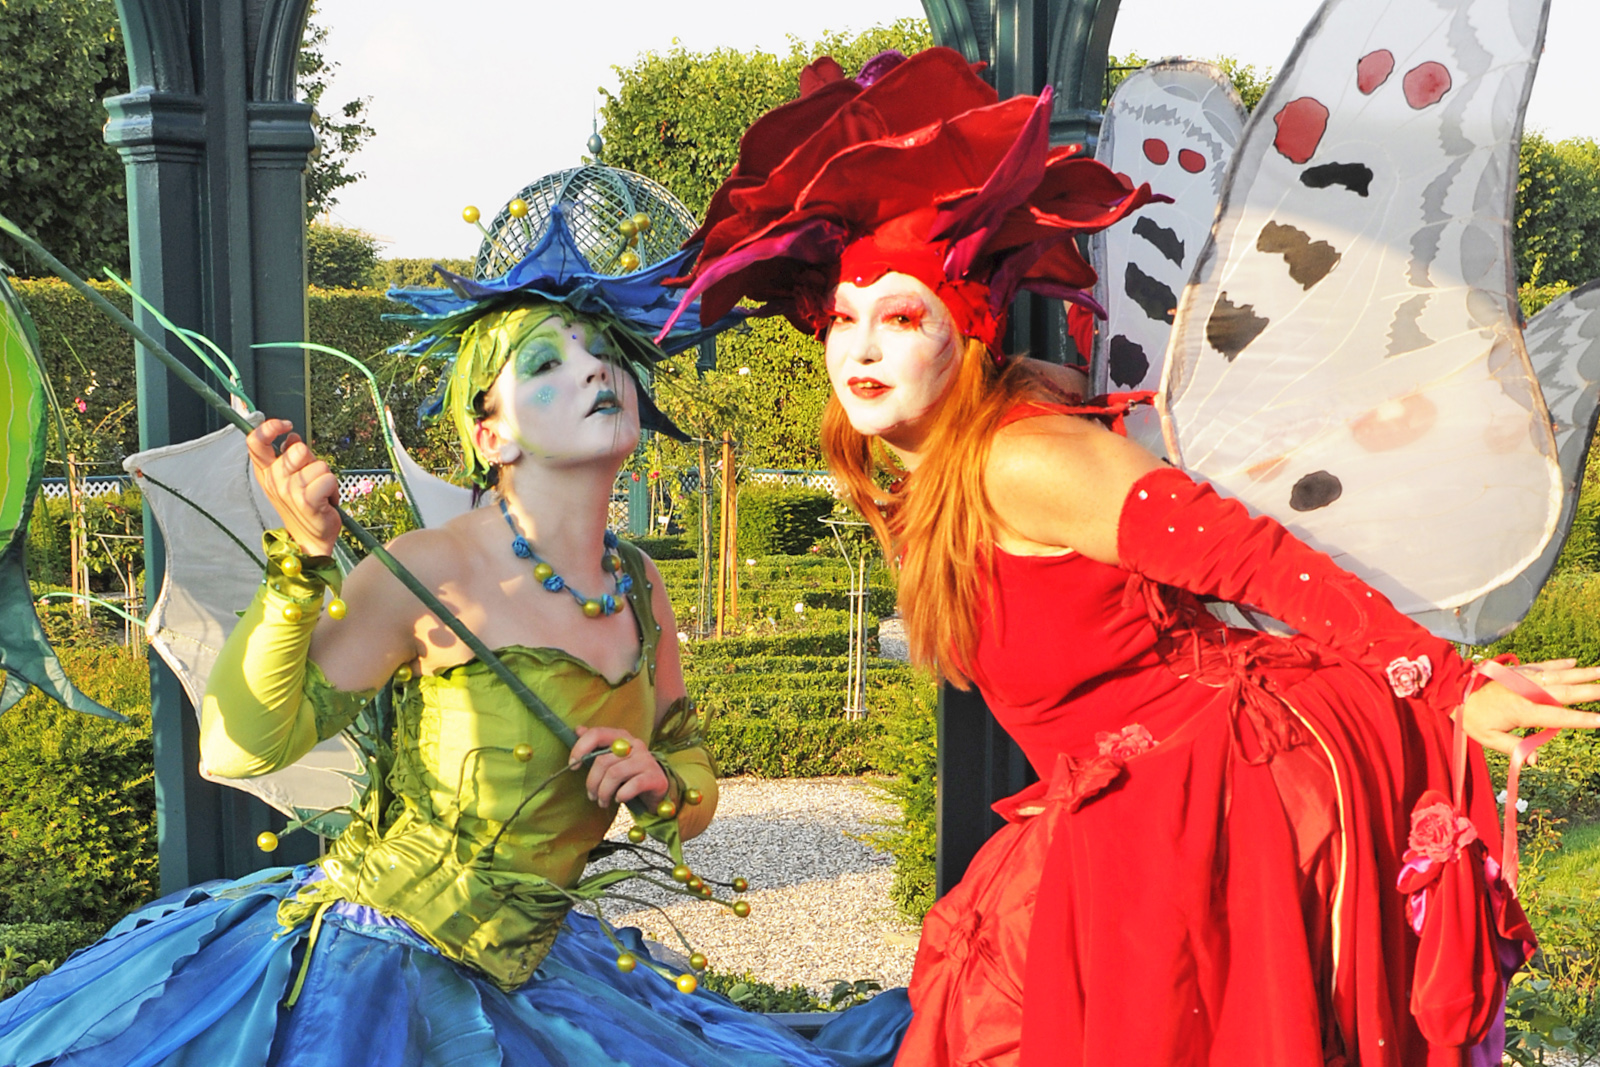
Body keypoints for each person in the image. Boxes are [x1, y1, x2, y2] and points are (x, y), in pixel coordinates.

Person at [675, 48, 1600, 1066]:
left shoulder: (1022, 460)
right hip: (1123, 799)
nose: (861, 351)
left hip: (1223, 790)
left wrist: (1454, 685)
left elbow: (1254, 558)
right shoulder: (911, 472)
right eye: (844, 321)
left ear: (966, 335)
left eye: (899, 319)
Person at [0, 244, 849, 1066]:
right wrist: (298, 563)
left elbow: (686, 766)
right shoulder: (431, 568)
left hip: (543, 974)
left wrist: (663, 784)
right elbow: (237, 747)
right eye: (545, 363)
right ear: (491, 436)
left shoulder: (638, 581)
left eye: (606, 354)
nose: (595, 371)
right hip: (382, 973)